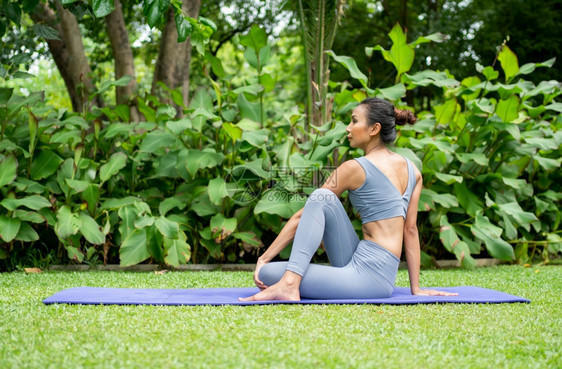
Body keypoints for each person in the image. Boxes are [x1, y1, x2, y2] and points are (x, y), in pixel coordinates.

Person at [240, 97, 458, 301]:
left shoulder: (353, 168)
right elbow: (410, 230)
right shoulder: (413, 171)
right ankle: (290, 281)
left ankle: (289, 283)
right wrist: (416, 289)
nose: (348, 128)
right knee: (323, 197)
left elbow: (303, 215)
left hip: (368, 279)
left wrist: (264, 258)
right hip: (372, 270)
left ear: (374, 129)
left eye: (354, 121)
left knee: (269, 272)